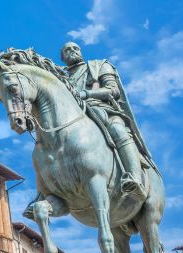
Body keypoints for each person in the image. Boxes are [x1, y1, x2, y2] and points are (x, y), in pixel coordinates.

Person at [60, 41, 148, 198]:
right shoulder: (62, 78)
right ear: (63, 57)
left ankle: (134, 177)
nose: (72, 51)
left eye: (75, 48)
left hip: (102, 110)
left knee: (118, 129)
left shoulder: (99, 65)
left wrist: (86, 94)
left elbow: (112, 90)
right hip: (73, 117)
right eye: (67, 50)